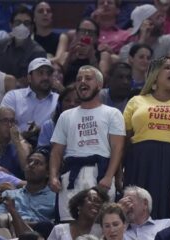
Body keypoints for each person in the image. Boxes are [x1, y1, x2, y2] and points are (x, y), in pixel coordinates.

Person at [123, 56, 170, 219]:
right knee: (138, 210)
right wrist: (118, 172)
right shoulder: (136, 101)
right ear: (154, 75)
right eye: (167, 67)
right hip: (140, 161)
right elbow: (124, 140)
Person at [49, 65, 125, 221]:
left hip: (100, 174)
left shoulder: (112, 113)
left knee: (100, 225)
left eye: (88, 78)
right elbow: (56, 151)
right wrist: (53, 176)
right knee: (68, 225)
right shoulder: (65, 116)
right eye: (79, 79)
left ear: (99, 85)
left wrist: (109, 176)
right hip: (71, 175)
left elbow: (117, 148)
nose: (82, 82)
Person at [0, 147, 55, 239]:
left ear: (48, 173)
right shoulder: (9, 195)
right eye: (29, 161)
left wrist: (17, 221)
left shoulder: (55, 197)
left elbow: (54, 228)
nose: (31, 165)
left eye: (37, 163)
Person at [0, 57, 59, 145]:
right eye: (40, 73)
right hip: (14, 146)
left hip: (46, 149)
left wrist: (40, 130)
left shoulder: (58, 100)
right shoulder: (13, 96)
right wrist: (22, 136)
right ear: (29, 77)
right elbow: (2, 125)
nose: (46, 77)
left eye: (49, 73)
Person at [0, 5, 46, 86]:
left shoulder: (38, 53)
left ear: (32, 27)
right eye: (18, 22)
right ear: (11, 25)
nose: (21, 26)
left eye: (26, 23)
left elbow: (36, 82)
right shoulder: (1, 45)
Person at [0, 107, 32, 179]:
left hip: (14, 187)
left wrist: (17, 142)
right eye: (5, 121)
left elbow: (26, 170)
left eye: (12, 121)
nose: (10, 125)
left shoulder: (22, 145)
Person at [62, 18, 100, 86]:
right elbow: (59, 76)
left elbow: (101, 81)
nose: (86, 34)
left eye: (90, 32)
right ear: (76, 34)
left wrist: (91, 56)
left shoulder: (102, 55)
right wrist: (69, 56)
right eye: (83, 31)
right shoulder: (68, 54)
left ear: (96, 38)